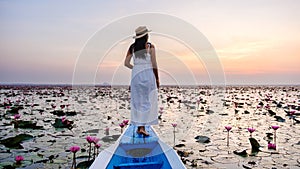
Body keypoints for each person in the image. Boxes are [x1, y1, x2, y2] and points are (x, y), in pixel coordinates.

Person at [124, 26, 159, 136]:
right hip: (148, 74)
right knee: (147, 100)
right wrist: (157, 78)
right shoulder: (150, 46)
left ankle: (140, 126)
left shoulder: (132, 48)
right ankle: (142, 126)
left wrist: (135, 68)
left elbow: (126, 63)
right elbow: (154, 63)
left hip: (136, 76)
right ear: (146, 36)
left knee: (137, 101)